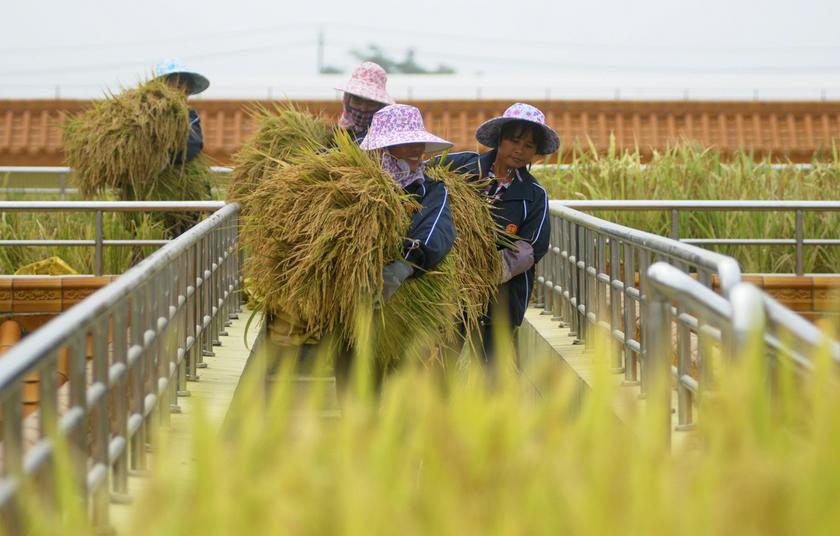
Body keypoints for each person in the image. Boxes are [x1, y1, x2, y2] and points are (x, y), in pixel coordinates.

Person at [325, 103, 457, 388]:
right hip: (355, 305)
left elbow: (437, 231)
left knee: (407, 390)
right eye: (402, 141)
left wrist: (401, 268)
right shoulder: (352, 187)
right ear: (383, 148)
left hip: (409, 303)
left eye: (416, 140)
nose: (413, 148)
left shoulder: (430, 190)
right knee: (356, 388)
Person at [437, 103, 558, 364]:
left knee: (495, 373)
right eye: (514, 141)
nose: (520, 150)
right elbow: (420, 181)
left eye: (528, 145)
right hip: (449, 289)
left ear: (535, 152)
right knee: (439, 367)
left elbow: (533, 247)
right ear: (500, 140)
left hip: (501, 296)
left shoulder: (534, 195)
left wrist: (484, 273)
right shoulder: (458, 168)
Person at [152, 58, 212, 236]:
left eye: (182, 85)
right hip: (150, 191)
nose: (179, 89)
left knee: (182, 240)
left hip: (183, 191)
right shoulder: (144, 117)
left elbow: (193, 145)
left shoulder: (189, 115)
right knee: (147, 238)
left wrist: (166, 157)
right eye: (173, 83)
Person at [334, 62, 395, 143]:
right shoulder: (338, 133)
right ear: (348, 101)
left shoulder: (388, 138)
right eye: (357, 101)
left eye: (371, 103)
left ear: (381, 106)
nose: (363, 108)